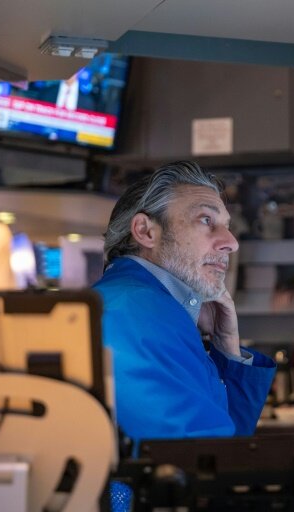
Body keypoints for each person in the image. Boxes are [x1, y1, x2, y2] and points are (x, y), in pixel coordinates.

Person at [93, 161, 276, 446]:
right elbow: (195, 461)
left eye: (226, 226)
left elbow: (227, 445)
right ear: (146, 231)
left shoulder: (152, 306)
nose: (231, 242)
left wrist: (226, 349)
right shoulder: (136, 311)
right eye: (206, 220)